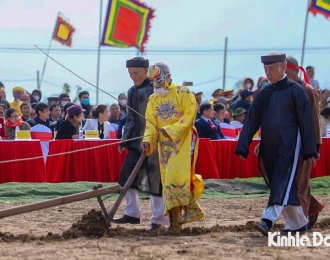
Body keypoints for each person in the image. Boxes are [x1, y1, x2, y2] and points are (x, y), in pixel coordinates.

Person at [235, 52, 317, 236]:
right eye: (265, 69)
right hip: (269, 146)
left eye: (271, 69)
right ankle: (297, 224)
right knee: (279, 183)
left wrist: (311, 149)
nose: (268, 73)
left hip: (290, 145)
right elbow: (252, 119)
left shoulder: (296, 91)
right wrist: (243, 144)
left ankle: (267, 220)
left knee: (282, 181)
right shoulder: (264, 93)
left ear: (283, 68)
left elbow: (307, 122)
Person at [141, 62, 204, 235]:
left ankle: (191, 210)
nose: (156, 85)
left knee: (175, 177)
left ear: (168, 77)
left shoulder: (183, 93)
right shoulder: (153, 99)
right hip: (164, 144)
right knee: (168, 180)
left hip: (183, 140)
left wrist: (170, 130)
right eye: (153, 81)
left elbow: (189, 116)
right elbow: (150, 123)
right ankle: (177, 222)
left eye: (158, 80)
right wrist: (148, 140)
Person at [113, 57, 169, 231]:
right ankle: (132, 212)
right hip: (136, 142)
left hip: (154, 142)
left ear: (146, 71)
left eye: (136, 73)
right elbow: (130, 119)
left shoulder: (156, 90)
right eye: (130, 73)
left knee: (155, 180)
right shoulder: (131, 91)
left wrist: (153, 138)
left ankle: (159, 219)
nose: (133, 77)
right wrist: (125, 139)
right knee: (126, 176)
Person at [286, 55, 324, 229]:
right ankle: (312, 209)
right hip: (286, 145)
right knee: (289, 182)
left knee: (299, 184)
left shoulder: (307, 90)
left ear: (295, 71)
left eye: (286, 72)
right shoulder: (282, 90)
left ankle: (298, 224)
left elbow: (315, 120)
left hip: (304, 145)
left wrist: (314, 148)